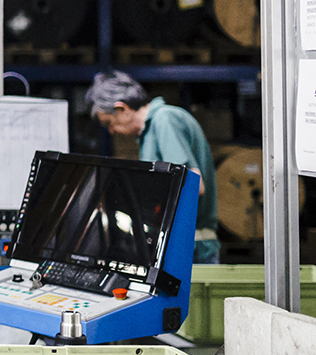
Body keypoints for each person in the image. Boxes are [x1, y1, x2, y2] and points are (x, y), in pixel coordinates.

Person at [86, 70, 220, 263]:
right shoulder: (149, 132)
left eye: (109, 123)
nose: (112, 131)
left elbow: (193, 186)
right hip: (180, 246)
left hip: (193, 248)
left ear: (121, 108)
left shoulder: (164, 120)